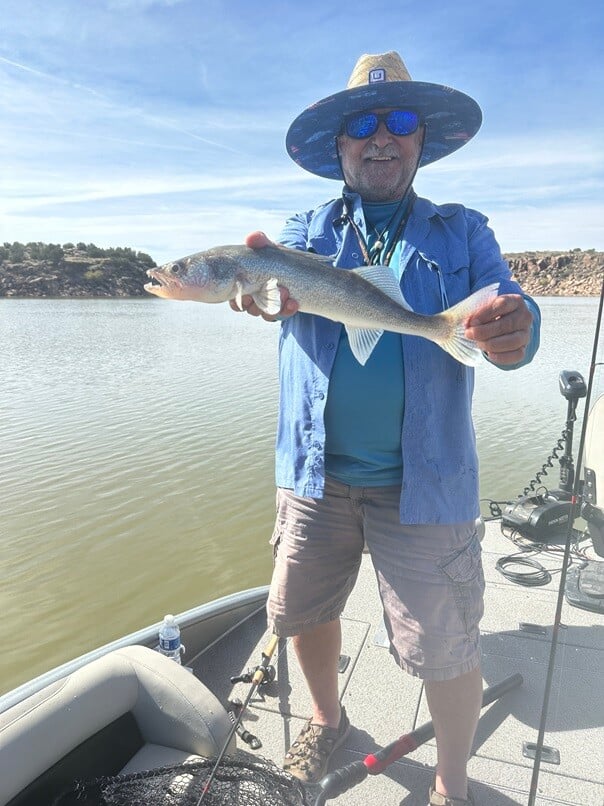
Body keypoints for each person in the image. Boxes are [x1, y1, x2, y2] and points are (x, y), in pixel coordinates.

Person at [232, 51, 540, 806]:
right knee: (304, 615)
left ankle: (450, 781)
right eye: (362, 124)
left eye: (399, 121)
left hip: (426, 486)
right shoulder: (304, 231)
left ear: (420, 141)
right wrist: (258, 296)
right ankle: (328, 721)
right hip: (313, 476)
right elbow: (274, 292)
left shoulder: (462, 232)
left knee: (446, 644)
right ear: (339, 147)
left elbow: (513, 319)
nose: (380, 137)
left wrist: (516, 330)